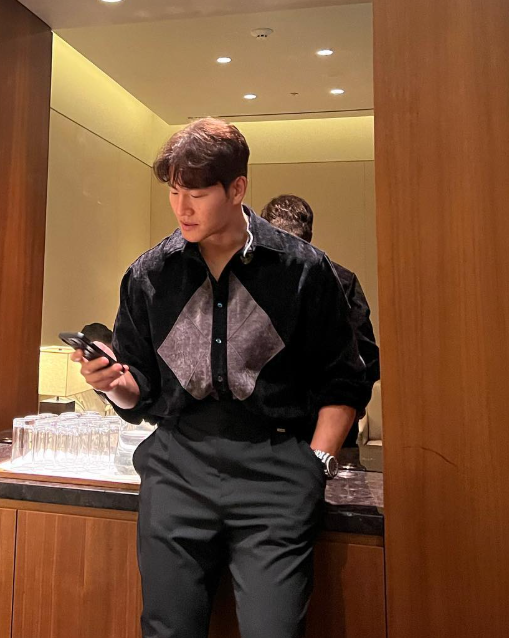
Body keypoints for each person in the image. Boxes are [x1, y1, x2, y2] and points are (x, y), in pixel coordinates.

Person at [71, 118, 371, 638]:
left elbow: (343, 379)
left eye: (197, 193)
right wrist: (110, 381)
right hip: (178, 467)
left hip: (275, 470)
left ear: (237, 189)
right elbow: (140, 385)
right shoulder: (150, 274)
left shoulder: (303, 270)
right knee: (168, 630)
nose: (182, 208)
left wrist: (316, 463)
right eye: (174, 192)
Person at [259, 194, 380, 448]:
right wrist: (351, 407)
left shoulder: (252, 282)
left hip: (265, 430)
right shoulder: (341, 279)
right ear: (309, 235)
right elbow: (366, 356)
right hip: (331, 423)